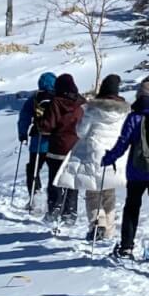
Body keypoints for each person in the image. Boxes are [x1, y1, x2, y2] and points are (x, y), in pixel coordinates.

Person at [57, 73, 131, 243]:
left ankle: (97, 224)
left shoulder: (92, 109)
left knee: (93, 193)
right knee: (109, 193)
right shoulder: (124, 111)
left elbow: (81, 131)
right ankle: (109, 230)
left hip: (94, 154)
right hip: (116, 156)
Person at [106, 76, 149, 260]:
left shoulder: (134, 117)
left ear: (139, 96)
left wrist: (109, 157)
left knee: (132, 208)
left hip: (136, 171)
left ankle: (126, 247)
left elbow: (123, 142)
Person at [41, 74, 85, 224]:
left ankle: (54, 209)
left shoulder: (55, 102)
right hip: (75, 148)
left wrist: (41, 126)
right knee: (72, 181)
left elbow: (48, 125)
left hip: (57, 147)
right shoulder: (80, 103)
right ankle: (70, 212)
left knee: (55, 180)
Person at [18, 72, 57, 202]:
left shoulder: (34, 98)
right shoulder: (58, 99)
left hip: (37, 142)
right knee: (54, 172)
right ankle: (54, 200)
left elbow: (24, 117)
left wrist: (22, 134)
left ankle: (35, 198)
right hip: (55, 143)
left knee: (33, 170)